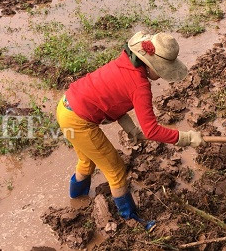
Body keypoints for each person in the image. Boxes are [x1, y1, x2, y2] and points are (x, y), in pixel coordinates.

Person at [56, 31, 204, 232]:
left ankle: (78, 200)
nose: (160, 76)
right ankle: (132, 219)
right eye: (161, 70)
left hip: (65, 108)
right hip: (80, 121)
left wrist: (130, 128)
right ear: (151, 65)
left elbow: (112, 99)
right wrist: (185, 138)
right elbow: (151, 131)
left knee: (86, 160)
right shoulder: (140, 86)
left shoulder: (124, 62)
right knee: (116, 170)